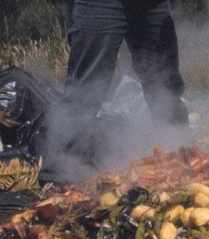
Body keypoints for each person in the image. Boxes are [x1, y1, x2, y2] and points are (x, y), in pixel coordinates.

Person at [42, 0, 188, 181]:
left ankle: (183, 164)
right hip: (100, 5)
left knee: (166, 87)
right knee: (85, 91)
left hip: (152, 5)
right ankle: (61, 180)